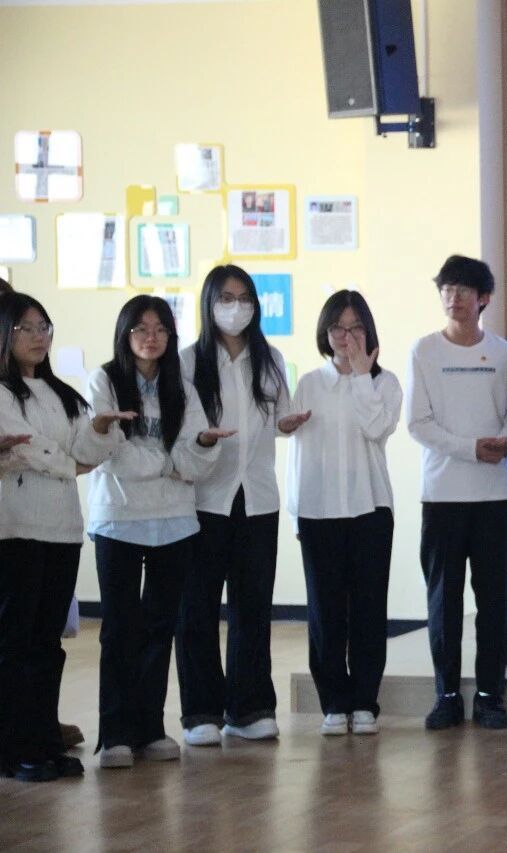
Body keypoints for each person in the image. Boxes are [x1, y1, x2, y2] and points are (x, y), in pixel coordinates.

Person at [88, 296, 232, 769]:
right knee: (119, 628)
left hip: (175, 521)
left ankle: (148, 727)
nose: (151, 338)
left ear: (171, 336)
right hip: (119, 519)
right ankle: (115, 733)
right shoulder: (105, 381)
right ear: (125, 333)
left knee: (159, 627)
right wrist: (171, 462)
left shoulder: (181, 387)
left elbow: (195, 460)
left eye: (160, 329)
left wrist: (203, 445)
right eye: (141, 329)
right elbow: (113, 453)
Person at [176, 265, 310, 748]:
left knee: (252, 606)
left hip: (257, 497)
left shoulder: (269, 359)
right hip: (204, 499)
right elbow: (180, 428)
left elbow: (279, 416)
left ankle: (249, 708)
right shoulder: (188, 361)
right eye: (226, 298)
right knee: (197, 608)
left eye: (244, 298)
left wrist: (288, 424)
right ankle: (200, 712)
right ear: (209, 304)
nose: (236, 307)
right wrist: (204, 438)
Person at [0, 292, 131, 782]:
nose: (38, 337)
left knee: (47, 644)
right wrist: (68, 463)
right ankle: (15, 749)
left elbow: (85, 450)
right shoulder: (3, 392)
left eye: (44, 327)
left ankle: (44, 741)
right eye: (26, 328)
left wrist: (98, 430)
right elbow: (30, 447)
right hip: (16, 529)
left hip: (61, 530)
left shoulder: (62, 394)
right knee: (15, 643)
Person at [408, 255, 507, 731]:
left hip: (495, 495)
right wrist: (472, 449)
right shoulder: (424, 351)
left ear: (483, 298)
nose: (453, 298)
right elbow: (418, 423)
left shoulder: (505, 353)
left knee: (493, 602)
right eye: (447, 289)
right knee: (444, 601)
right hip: (443, 495)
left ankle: (491, 695)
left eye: (464, 290)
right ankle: (447, 695)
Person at [288, 290, 401, 737]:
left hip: (370, 508)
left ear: (368, 333)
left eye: (355, 328)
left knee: (369, 609)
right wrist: (295, 510)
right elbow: (296, 454)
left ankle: (365, 702)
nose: (346, 337)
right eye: (338, 327)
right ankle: (334, 702)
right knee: (325, 611)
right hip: (318, 510)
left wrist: (360, 377)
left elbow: (376, 428)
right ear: (326, 331)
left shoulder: (384, 383)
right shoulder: (309, 384)